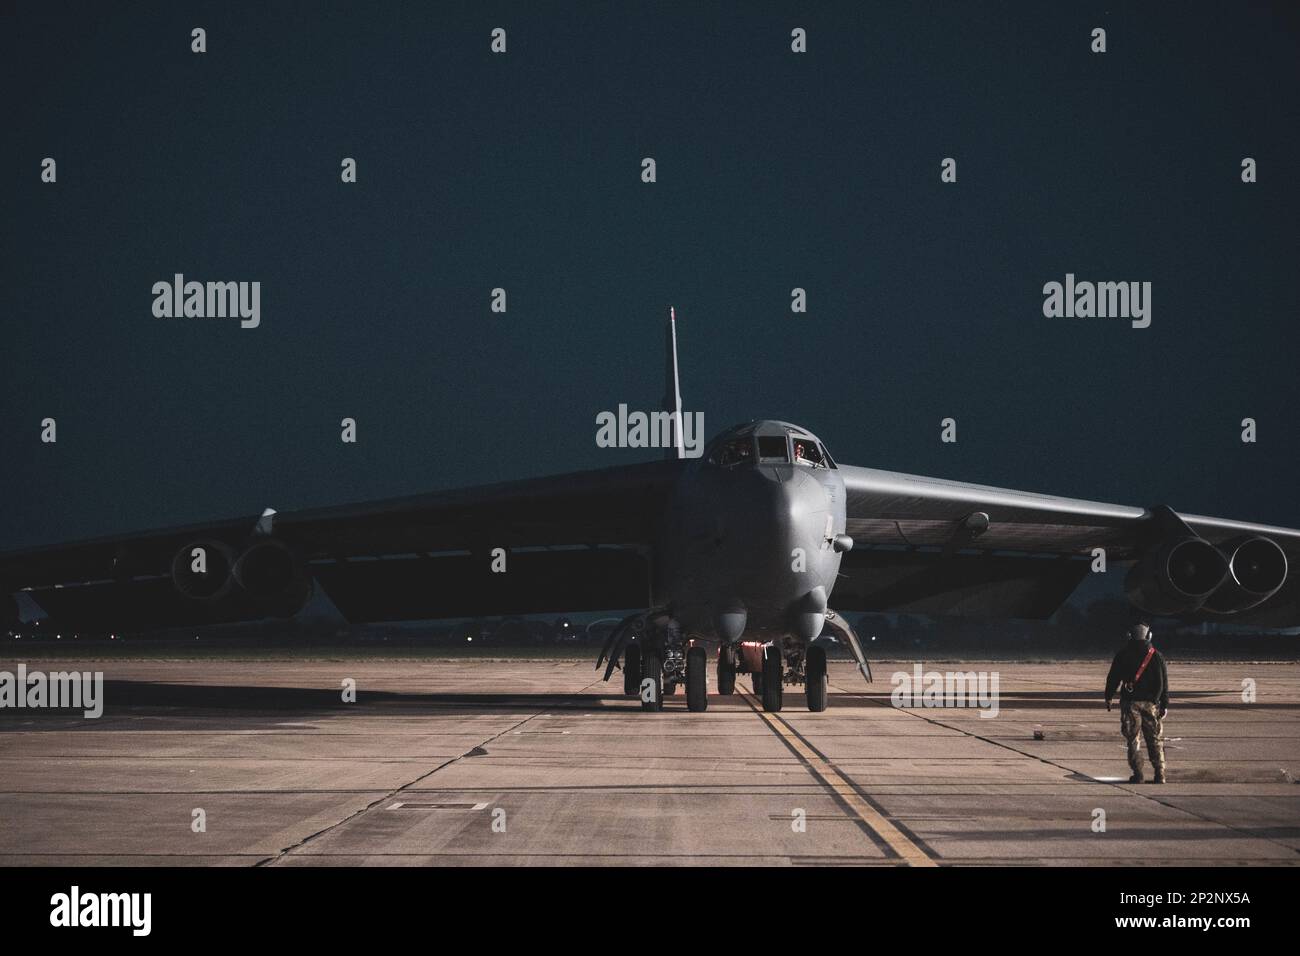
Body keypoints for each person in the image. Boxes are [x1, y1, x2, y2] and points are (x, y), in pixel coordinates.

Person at [1104, 622, 1169, 783]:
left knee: (1133, 740)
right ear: (1149, 636)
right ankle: (1160, 774)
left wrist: (1109, 696)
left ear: (1130, 636)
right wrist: (1164, 704)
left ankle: (1138, 774)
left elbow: (1113, 678)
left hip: (1130, 703)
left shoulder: (1122, 654)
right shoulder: (1156, 655)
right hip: (1151, 704)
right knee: (1155, 739)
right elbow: (1163, 682)